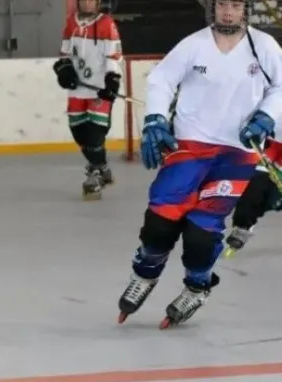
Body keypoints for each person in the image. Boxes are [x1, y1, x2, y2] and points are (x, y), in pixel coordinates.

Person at [116, 0, 282, 328]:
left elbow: (281, 86)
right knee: (160, 223)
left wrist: (266, 116)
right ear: (213, 8)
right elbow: (161, 81)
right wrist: (154, 120)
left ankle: (197, 285)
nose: (228, 11)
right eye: (222, 4)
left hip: (237, 154)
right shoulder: (194, 45)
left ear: (246, 10)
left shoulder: (264, 47)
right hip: (189, 147)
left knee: (201, 234)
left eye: (235, 5)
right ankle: (144, 275)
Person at [52, 0, 123, 199]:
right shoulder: (70, 24)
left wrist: (112, 80)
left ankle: (95, 173)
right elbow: (64, 55)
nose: (88, 3)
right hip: (77, 91)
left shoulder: (106, 23)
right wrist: (64, 70)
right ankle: (102, 166)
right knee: (79, 134)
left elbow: (115, 56)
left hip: (99, 91)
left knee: (94, 134)